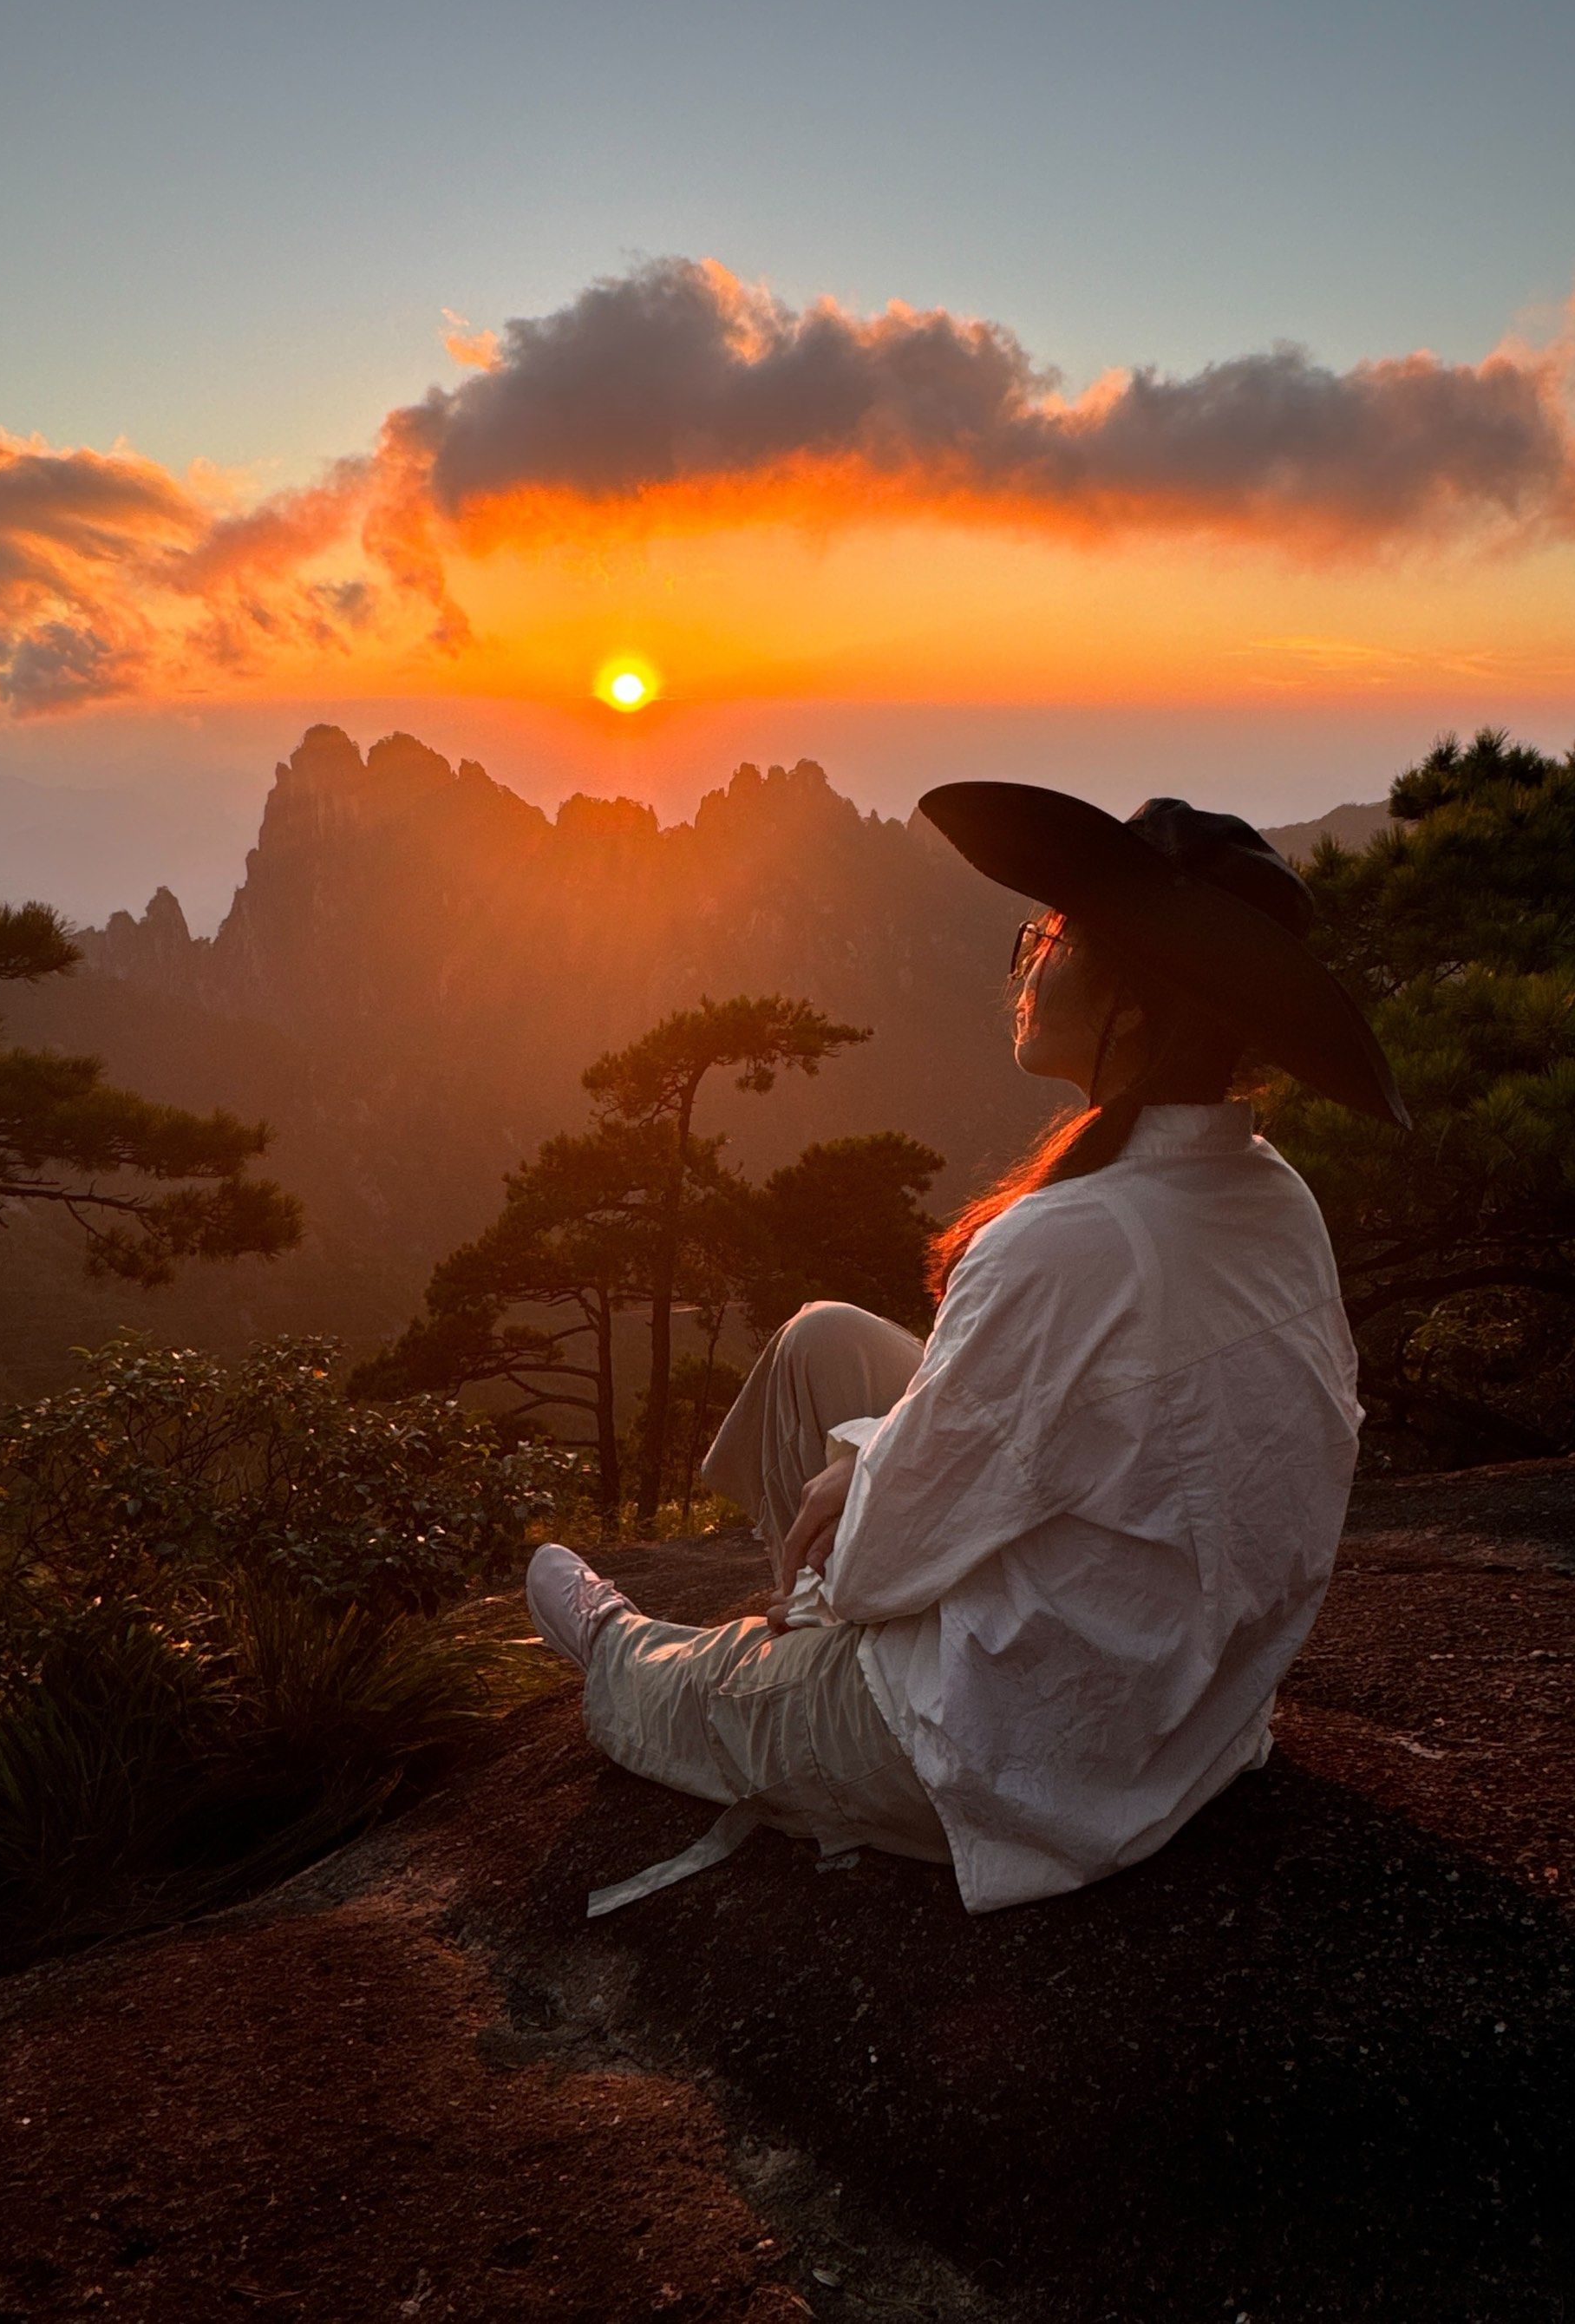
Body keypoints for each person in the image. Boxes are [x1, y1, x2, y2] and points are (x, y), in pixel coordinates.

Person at [526, 783, 1409, 1917]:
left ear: (1130, 1004)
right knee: (822, 1341)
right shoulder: (1276, 1197)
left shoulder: (1058, 1241)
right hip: (1197, 1712)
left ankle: (640, 1654)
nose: (1032, 954)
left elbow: (882, 1569)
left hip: (1018, 1754)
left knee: (699, 1685)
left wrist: (865, 1485)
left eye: (1057, 933)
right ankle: (794, 1612)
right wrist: (876, 1460)